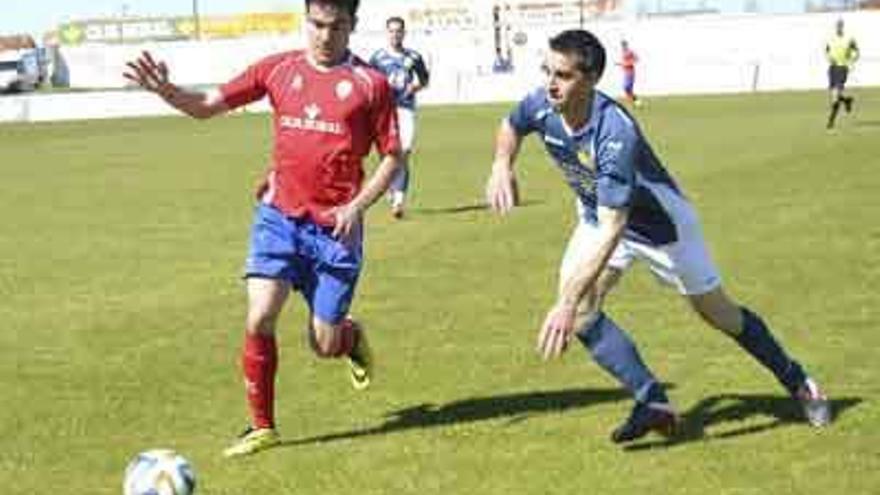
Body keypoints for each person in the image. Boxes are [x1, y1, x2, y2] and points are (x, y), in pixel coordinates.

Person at [485, 29, 831, 443]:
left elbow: (616, 227)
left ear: (591, 79)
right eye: (547, 71)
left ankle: (801, 383)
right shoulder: (544, 102)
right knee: (580, 313)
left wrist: (565, 302)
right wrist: (502, 164)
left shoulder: (614, 134)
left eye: (562, 75)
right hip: (601, 217)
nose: (550, 83)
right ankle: (653, 401)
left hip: (660, 229)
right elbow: (512, 124)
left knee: (718, 314)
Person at [123, 0, 402, 457]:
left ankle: (349, 338)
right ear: (305, 20)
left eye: (336, 26)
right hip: (279, 219)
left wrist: (358, 205)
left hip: (335, 231)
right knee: (259, 314)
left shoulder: (371, 85)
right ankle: (262, 426)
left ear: (352, 25)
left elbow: (393, 156)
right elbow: (208, 105)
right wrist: (165, 90)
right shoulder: (278, 70)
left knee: (324, 343)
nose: (325, 35)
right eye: (316, 24)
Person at [369, 16, 430, 219]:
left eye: (398, 31)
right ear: (387, 33)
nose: (395, 34)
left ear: (404, 33)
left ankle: (399, 201)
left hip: (405, 109)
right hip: (384, 112)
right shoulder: (378, 58)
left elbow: (424, 79)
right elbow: (369, 81)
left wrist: (415, 86)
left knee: (405, 151)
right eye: (392, 31)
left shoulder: (413, 57)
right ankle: (392, 189)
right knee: (389, 154)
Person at [825, 19, 859, 129]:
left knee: (835, 97)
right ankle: (847, 101)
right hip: (832, 68)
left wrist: (852, 59)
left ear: (842, 27)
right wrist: (829, 58)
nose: (838, 28)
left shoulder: (849, 39)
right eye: (837, 26)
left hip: (842, 68)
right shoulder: (830, 39)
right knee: (835, 95)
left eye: (840, 26)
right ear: (835, 27)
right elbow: (826, 50)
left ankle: (831, 122)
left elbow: (856, 51)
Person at [617, 39, 641, 107]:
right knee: (626, 88)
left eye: (624, 45)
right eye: (622, 45)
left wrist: (628, 63)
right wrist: (620, 64)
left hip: (630, 72)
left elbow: (637, 59)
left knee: (627, 87)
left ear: (626, 45)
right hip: (625, 72)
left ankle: (635, 101)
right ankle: (634, 102)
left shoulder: (630, 51)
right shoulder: (623, 52)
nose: (623, 46)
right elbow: (624, 62)